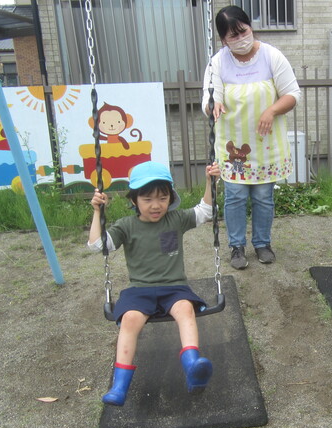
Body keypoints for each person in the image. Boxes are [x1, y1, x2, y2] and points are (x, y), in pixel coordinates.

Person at [88, 161, 221, 406]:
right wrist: (98, 212)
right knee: (129, 319)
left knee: (185, 309)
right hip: (140, 291)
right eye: (147, 199)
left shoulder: (175, 219)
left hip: (174, 287)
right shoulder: (127, 226)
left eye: (162, 198)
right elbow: (99, 245)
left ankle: (193, 366)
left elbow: (206, 211)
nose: (156, 205)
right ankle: (119, 386)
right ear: (134, 200)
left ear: (170, 198)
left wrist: (210, 182)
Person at [202, 5, 301, 270]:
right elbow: (210, 97)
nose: (240, 39)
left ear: (250, 27)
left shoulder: (272, 56)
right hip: (233, 146)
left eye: (242, 31)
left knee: (262, 197)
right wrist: (214, 104)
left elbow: (292, 94)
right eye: (232, 36)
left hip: (265, 144)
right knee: (234, 196)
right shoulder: (218, 62)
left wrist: (272, 109)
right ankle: (236, 247)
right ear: (223, 40)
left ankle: (262, 243)